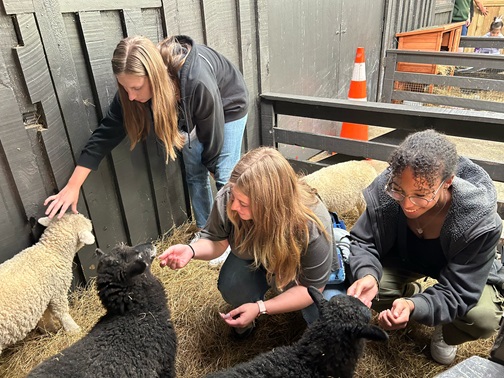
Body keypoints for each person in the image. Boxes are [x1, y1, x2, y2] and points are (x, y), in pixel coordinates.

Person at [44, 35, 249, 231]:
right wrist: (73, 185)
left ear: (155, 76)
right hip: (189, 111)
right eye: (125, 88)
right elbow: (106, 133)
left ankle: (231, 240)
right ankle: (206, 232)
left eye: (137, 88)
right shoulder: (131, 90)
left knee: (224, 175)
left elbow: (211, 135)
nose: (131, 96)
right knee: (194, 172)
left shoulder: (197, 80)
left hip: (228, 102)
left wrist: (214, 166)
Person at [346, 129, 503, 365]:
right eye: (399, 190)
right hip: (406, 258)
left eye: (422, 195)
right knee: (363, 283)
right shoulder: (387, 190)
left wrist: (414, 308)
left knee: (482, 318)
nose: (408, 205)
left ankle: (448, 332)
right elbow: (363, 241)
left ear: (448, 182)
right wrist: (367, 274)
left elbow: (461, 290)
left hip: (458, 266)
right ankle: (415, 298)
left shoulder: (479, 220)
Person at [159, 147, 346, 338]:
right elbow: (217, 241)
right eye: (233, 197)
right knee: (232, 284)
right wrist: (191, 250)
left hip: (301, 271)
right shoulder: (231, 196)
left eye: (243, 203)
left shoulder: (311, 222)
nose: (233, 206)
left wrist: (261, 308)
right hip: (261, 259)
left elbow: (310, 288)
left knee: (327, 314)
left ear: (269, 204)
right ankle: (247, 321)